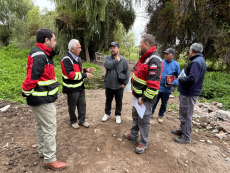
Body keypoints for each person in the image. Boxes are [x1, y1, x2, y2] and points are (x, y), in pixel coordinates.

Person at [22, 28, 67, 170]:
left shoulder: (41, 54)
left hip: (41, 98)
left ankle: (43, 151)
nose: (55, 42)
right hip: (42, 100)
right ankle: (50, 159)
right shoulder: (40, 56)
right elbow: (32, 78)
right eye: (54, 39)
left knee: (41, 125)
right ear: (46, 40)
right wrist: (26, 92)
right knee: (49, 127)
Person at [123, 34, 163, 154]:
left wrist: (144, 98)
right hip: (137, 97)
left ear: (146, 44)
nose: (139, 45)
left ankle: (143, 142)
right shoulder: (145, 57)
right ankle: (134, 135)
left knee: (144, 121)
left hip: (144, 99)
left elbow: (153, 85)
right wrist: (135, 93)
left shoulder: (154, 60)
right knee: (135, 117)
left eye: (140, 43)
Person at [172, 43, 206, 144]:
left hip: (189, 92)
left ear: (191, 50)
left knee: (186, 114)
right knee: (184, 113)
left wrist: (180, 79)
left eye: (189, 50)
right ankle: (183, 131)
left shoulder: (195, 62)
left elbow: (192, 78)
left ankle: (186, 137)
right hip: (191, 91)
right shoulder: (200, 60)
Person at [61, 39, 95, 129]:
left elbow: (78, 70)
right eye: (79, 48)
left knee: (82, 104)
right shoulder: (66, 59)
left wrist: (86, 70)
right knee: (72, 105)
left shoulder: (78, 58)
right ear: (72, 49)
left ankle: (82, 120)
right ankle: (73, 121)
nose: (80, 49)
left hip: (80, 86)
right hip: (71, 88)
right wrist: (85, 75)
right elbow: (70, 74)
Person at [102, 42, 130, 124]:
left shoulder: (124, 60)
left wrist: (125, 83)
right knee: (108, 100)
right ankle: (107, 113)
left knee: (119, 101)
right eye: (111, 48)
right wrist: (116, 61)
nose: (112, 49)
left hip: (119, 86)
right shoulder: (107, 58)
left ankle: (118, 115)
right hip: (109, 85)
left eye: (114, 47)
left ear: (118, 49)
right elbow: (107, 65)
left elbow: (127, 73)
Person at [151, 48, 180, 123]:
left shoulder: (176, 65)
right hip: (157, 87)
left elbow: (178, 77)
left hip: (167, 89)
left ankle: (161, 115)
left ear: (172, 55)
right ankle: (151, 113)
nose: (165, 55)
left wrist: (173, 83)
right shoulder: (161, 62)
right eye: (165, 54)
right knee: (154, 101)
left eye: (167, 54)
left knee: (164, 103)